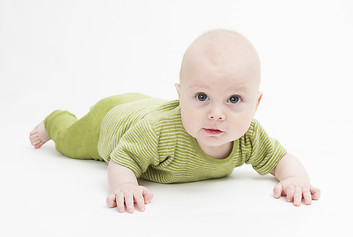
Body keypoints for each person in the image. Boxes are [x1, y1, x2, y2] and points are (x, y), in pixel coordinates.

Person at [29, 29, 320, 214]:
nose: (216, 114)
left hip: (142, 105)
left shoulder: (249, 136)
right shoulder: (157, 133)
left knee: (142, 109)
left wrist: (295, 180)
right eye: (202, 96)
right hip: (112, 121)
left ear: (255, 105)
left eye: (233, 100)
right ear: (181, 96)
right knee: (70, 141)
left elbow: (281, 158)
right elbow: (121, 160)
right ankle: (55, 120)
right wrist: (125, 186)